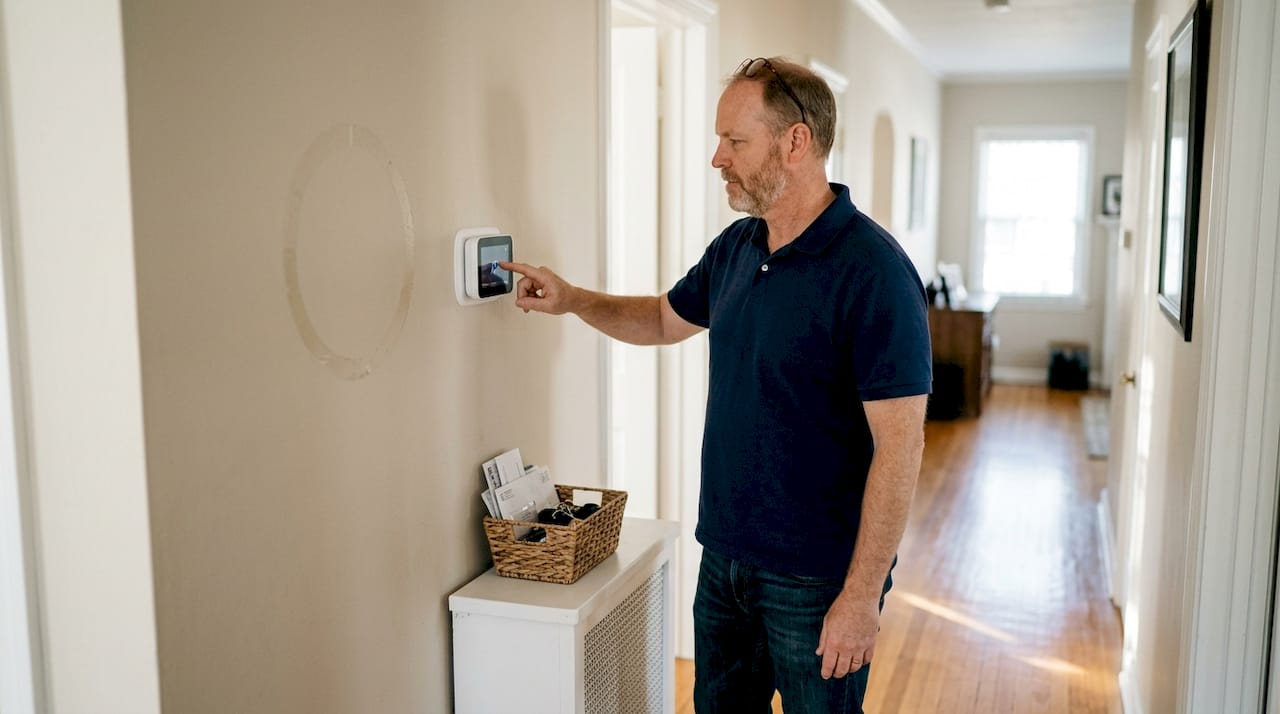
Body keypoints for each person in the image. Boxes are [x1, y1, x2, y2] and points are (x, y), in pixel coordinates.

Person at [501, 56, 931, 713]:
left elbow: (901, 450)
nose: (716, 159)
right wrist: (571, 299)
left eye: (734, 141)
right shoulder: (735, 247)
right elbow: (659, 319)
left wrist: (861, 594)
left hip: (816, 581)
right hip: (725, 559)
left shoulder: (873, 273)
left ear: (796, 142)